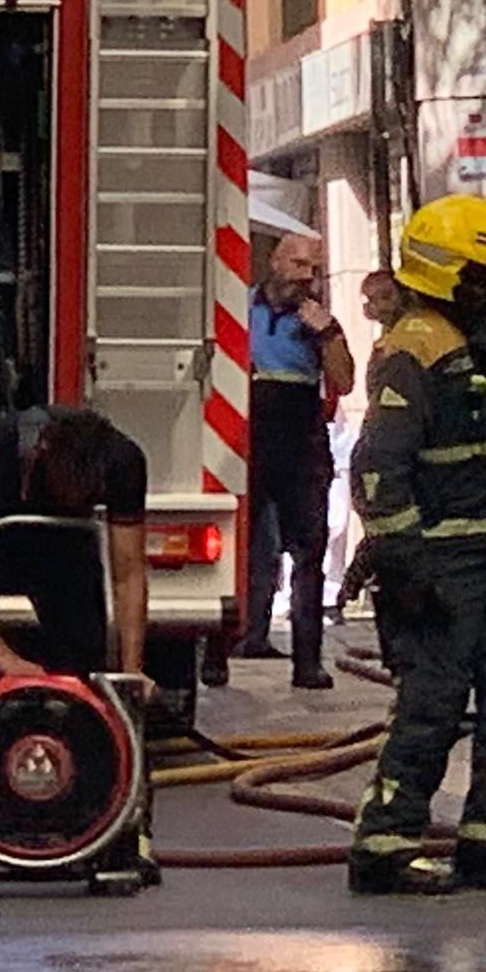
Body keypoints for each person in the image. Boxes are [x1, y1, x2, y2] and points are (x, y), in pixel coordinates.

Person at [342, 194, 486, 897]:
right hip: (440, 565)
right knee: (432, 705)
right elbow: (380, 469)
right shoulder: (413, 350)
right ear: (454, 275)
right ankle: (384, 848)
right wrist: (404, 564)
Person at [0, 406, 161, 883]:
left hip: (62, 551)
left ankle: (116, 828)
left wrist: (129, 676)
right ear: (44, 455)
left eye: (87, 492)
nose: (79, 495)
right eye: (69, 487)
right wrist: (3, 657)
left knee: (94, 674)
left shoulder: (122, 462)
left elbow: (127, 575)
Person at [210, 232, 355, 690]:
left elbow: (345, 381)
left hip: (301, 443)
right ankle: (216, 655)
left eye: (312, 268)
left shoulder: (318, 321)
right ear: (273, 262)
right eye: (297, 264)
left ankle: (308, 663)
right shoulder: (239, 308)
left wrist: (327, 333)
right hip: (245, 439)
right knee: (232, 548)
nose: (305, 276)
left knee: (308, 551)